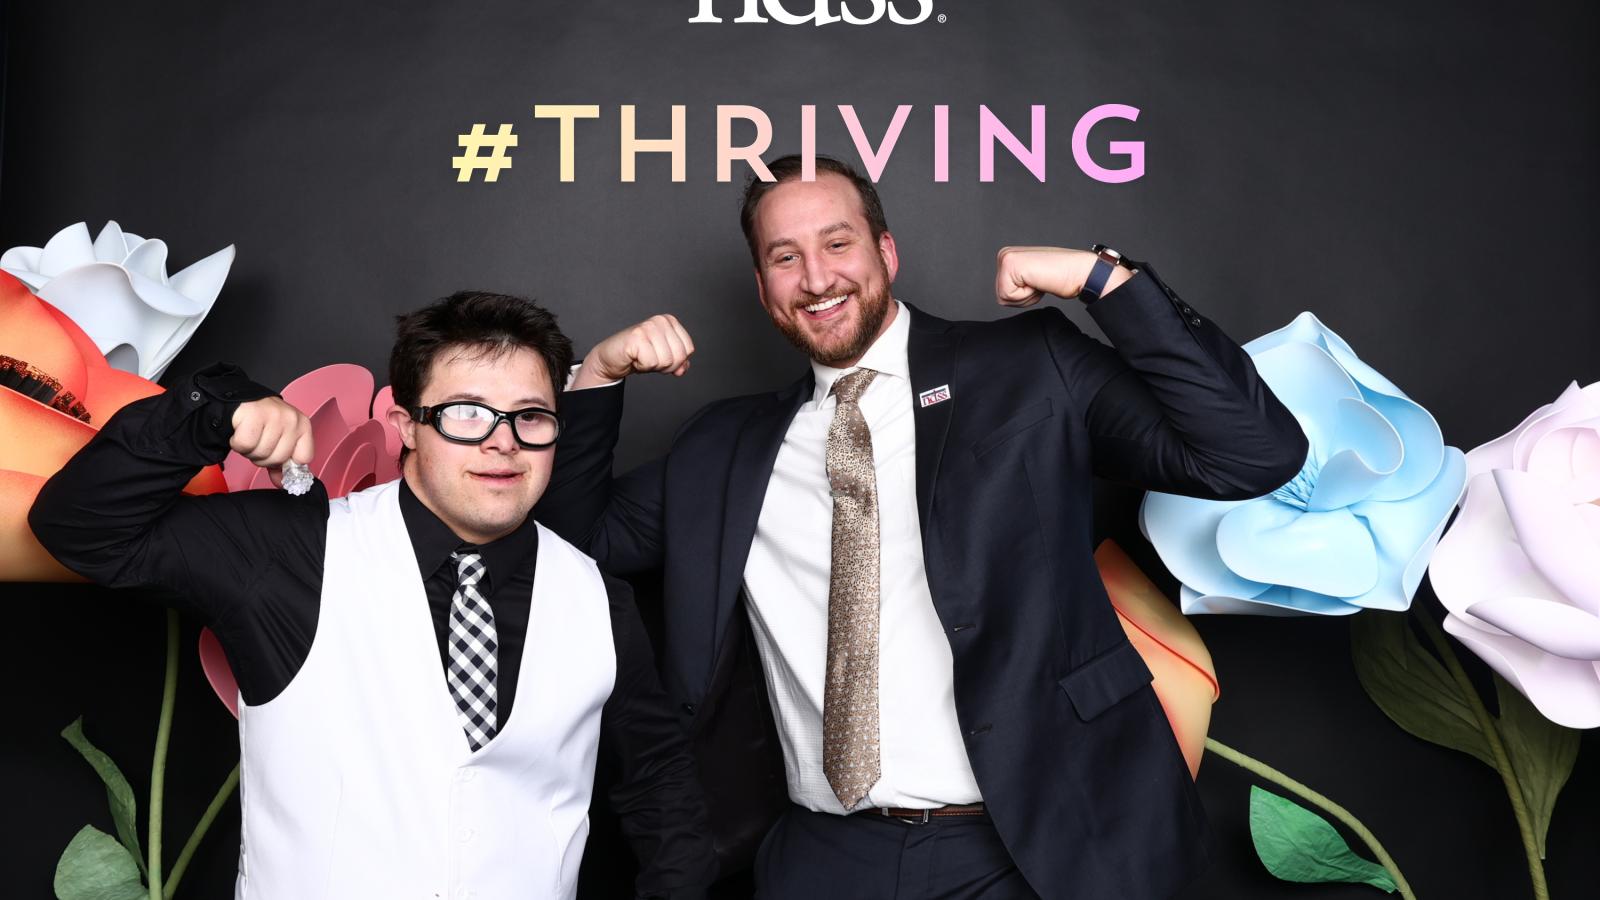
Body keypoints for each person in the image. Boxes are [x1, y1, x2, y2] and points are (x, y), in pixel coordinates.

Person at [536, 156, 1309, 899]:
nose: (816, 278)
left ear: (886, 251)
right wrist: (596, 379)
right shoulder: (722, 446)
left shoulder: (1029, 363)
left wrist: (1103, 280)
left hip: (1044, 845)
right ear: (763, 287)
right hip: (823, 854)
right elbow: (570, 547)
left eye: (837, 243)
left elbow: (1252, 454)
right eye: (785, 257)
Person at [28, 291, 717, 900]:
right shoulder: (290, 552)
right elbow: (79, 529)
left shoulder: (597, 598)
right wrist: (210, 410)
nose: (503, 443)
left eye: (530, 416)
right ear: (406, 425)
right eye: (468, 414)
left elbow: (657, 779)